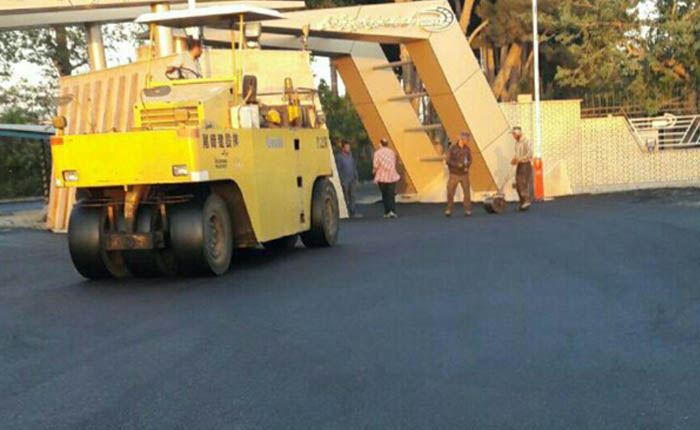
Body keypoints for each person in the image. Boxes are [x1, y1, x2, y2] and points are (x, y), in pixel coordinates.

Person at [445, 131, 473, 217]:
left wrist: (467, 165)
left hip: (464, 174)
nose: (468, 141)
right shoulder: (452, 149)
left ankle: (467, 209)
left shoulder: (467, 149)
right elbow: (447, 160)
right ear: (461, 139)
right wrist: (457, 165)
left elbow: (470, 160)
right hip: (454, 174)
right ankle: (449, 209)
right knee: (450, 192)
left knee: (467, 193)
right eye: (466, 139)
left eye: (468, 139)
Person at [373, 138, 400, 219]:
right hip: (392, 176)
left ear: (380, 144)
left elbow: (375, 165)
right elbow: (394, 162)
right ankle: (393, 211)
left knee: (384, 195)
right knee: (391, 194)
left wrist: (374, 171)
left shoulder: (377, 153)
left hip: (382, 176)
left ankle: (387, 212)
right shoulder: (392, 152)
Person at [335, 139, 362, 218]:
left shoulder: (350, 156)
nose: (348, 149)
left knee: (352, 196)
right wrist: (340, 180)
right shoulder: (339, 157)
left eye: (349, 147)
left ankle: (353, 212)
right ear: (343, 148)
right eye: (347, 147)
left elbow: (353, 167)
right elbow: (338, 169)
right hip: (344, 180)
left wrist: (356, 177)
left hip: (352, 179)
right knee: (345, 197)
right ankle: (346, 212)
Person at [510, 126, 533, 211]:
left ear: (518, 133)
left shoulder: (527, 140)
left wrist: (519, 159)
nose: (513, 136)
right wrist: (514, 159)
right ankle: (522, 202)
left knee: (522, 182)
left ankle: (526, 200)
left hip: (526, 164)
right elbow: (517, 154)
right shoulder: (517, 143)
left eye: (514, 134)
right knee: (518, 182)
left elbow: (530, 154)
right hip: (520, 164)